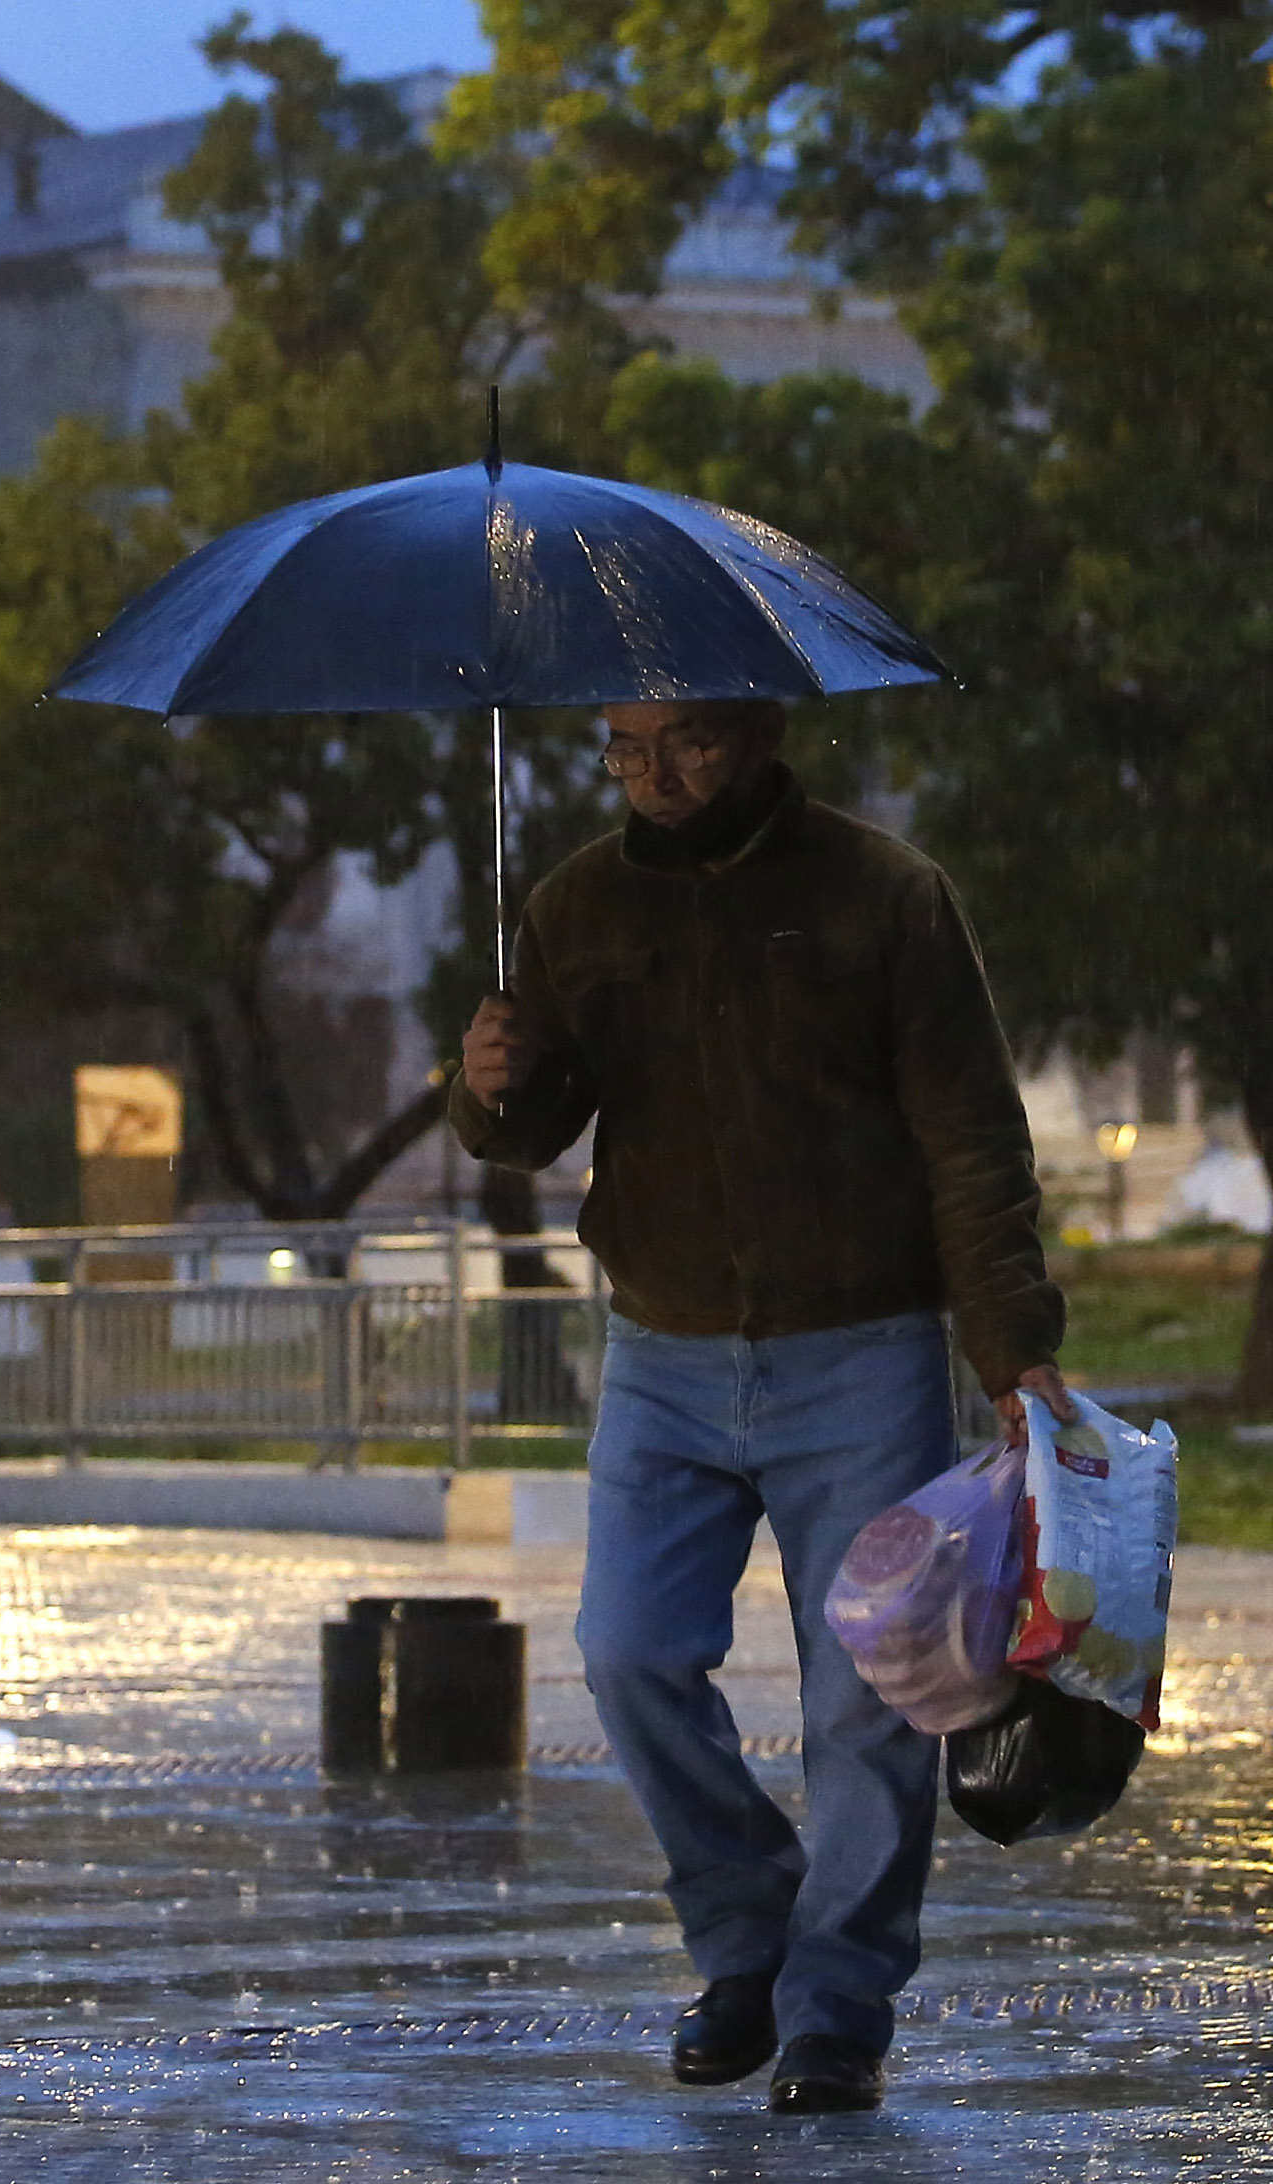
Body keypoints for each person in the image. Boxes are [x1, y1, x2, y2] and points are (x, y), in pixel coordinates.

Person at [453, 697, 1071, 2114]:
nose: (654, 777)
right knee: (626, 1654)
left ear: (762, 728)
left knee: (868, 1696)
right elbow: (533, 1117)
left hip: (859, 1354)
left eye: (689, 745)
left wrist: (1011, 1353)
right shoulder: (576, 905)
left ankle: (836, 2005)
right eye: (623, 748)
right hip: (661, 1354)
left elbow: (972, 1141)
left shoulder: (887, 898)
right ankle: (747, 1942)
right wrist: (484, 1089)